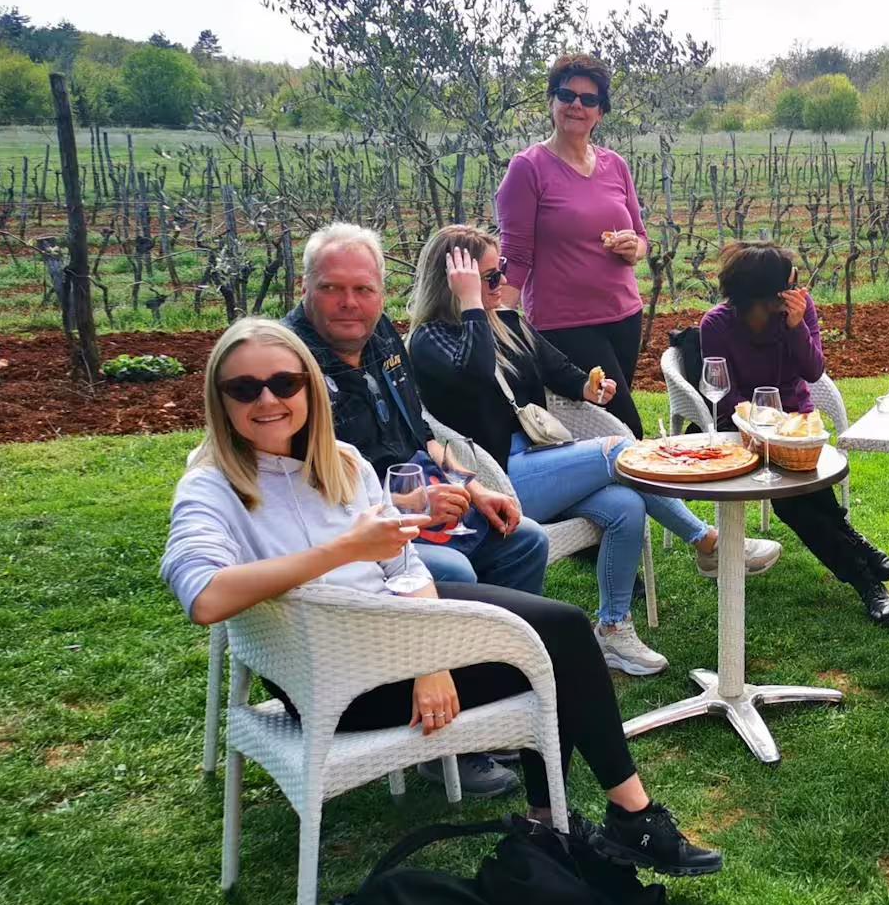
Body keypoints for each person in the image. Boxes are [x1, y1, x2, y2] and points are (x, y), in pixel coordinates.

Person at [161, 318, 722, 876]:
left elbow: (404, 568)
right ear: (220, 399)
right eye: (244, 388)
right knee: (553, 658)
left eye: (285, 384)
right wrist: (343, 551)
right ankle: (611, 820)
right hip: (328, 678)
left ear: (309, 387)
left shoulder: (340, 462)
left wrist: (430, 659)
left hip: (398, 638)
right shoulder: (212, 487)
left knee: (561, 627)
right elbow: (204, 597)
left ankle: (566, 818)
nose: (267, 400)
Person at [406, 225, 782, 675]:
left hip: (539, 457)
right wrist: (471, 306)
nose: (501, 283)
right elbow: (475, 371)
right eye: (488, 278)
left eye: (501, 270)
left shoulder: (504, 321)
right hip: (496, 478)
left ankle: (613, 630)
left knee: (624, 504)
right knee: (617, 450)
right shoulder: (430, 341)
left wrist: (587, 385)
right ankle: (707, 541)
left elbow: (553, 366)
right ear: (453, 283)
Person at [287, 221, 547, 798]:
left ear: (382, 291)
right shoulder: (287, 366)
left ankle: (490, 703)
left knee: (525, 538)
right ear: (305, 287)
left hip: (412, 501)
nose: (350, 303)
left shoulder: (383, 339)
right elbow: (303, 489)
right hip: (343, 539)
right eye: (332, 288)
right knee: (449, 572)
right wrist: (408, 503)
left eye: (364, 289)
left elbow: (419, 429)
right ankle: (441, 739)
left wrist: (468, 483)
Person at [699, 241, 889, 625]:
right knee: (791, 502)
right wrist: (761, 427)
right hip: (743, 431)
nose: (800, 289)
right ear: (764, 292)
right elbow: (724, 395)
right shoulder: (717, 324)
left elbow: (812, 371)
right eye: (791, 282)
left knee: (808, 490)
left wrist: (795, 328)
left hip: (797, 424)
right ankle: (865, 579)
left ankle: (857, 550)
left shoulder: (798, 310)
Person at [495, 52, 649, 438]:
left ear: (601, 111)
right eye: (567, 95)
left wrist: (635, 249)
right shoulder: (528, 168)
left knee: (605, 431)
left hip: (624, 316)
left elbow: (643, 238)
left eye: (589, 99)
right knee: (628, 431)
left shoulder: (616, 165)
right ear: (551, 102)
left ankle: (607, 499)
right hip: (565, 325)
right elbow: (515, 256)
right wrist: (495, 323)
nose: (576, 105)